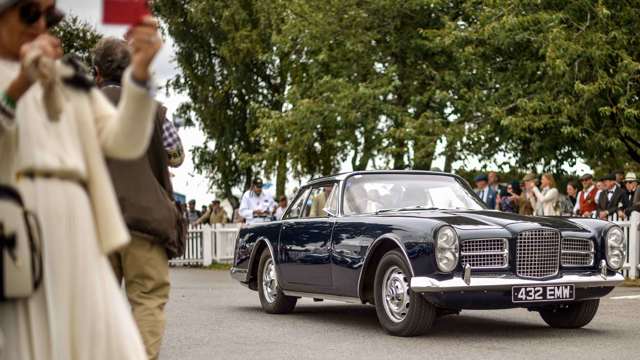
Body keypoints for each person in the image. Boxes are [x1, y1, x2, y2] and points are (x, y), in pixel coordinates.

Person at [0, 1, 161, 358]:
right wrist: (19, 85)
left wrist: (139, 74)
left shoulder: (69, 79)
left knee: (115, 346)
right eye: (30, 13)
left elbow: (125, 140)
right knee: (31, 343)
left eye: (50, 16)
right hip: (17, 228)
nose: (41, 24)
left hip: (81, 224)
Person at [94, 37, 182, 360]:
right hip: (144, 220)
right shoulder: (152, 110)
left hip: (95, 221)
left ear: (97, 73)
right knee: (147, 299)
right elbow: (176, 155)